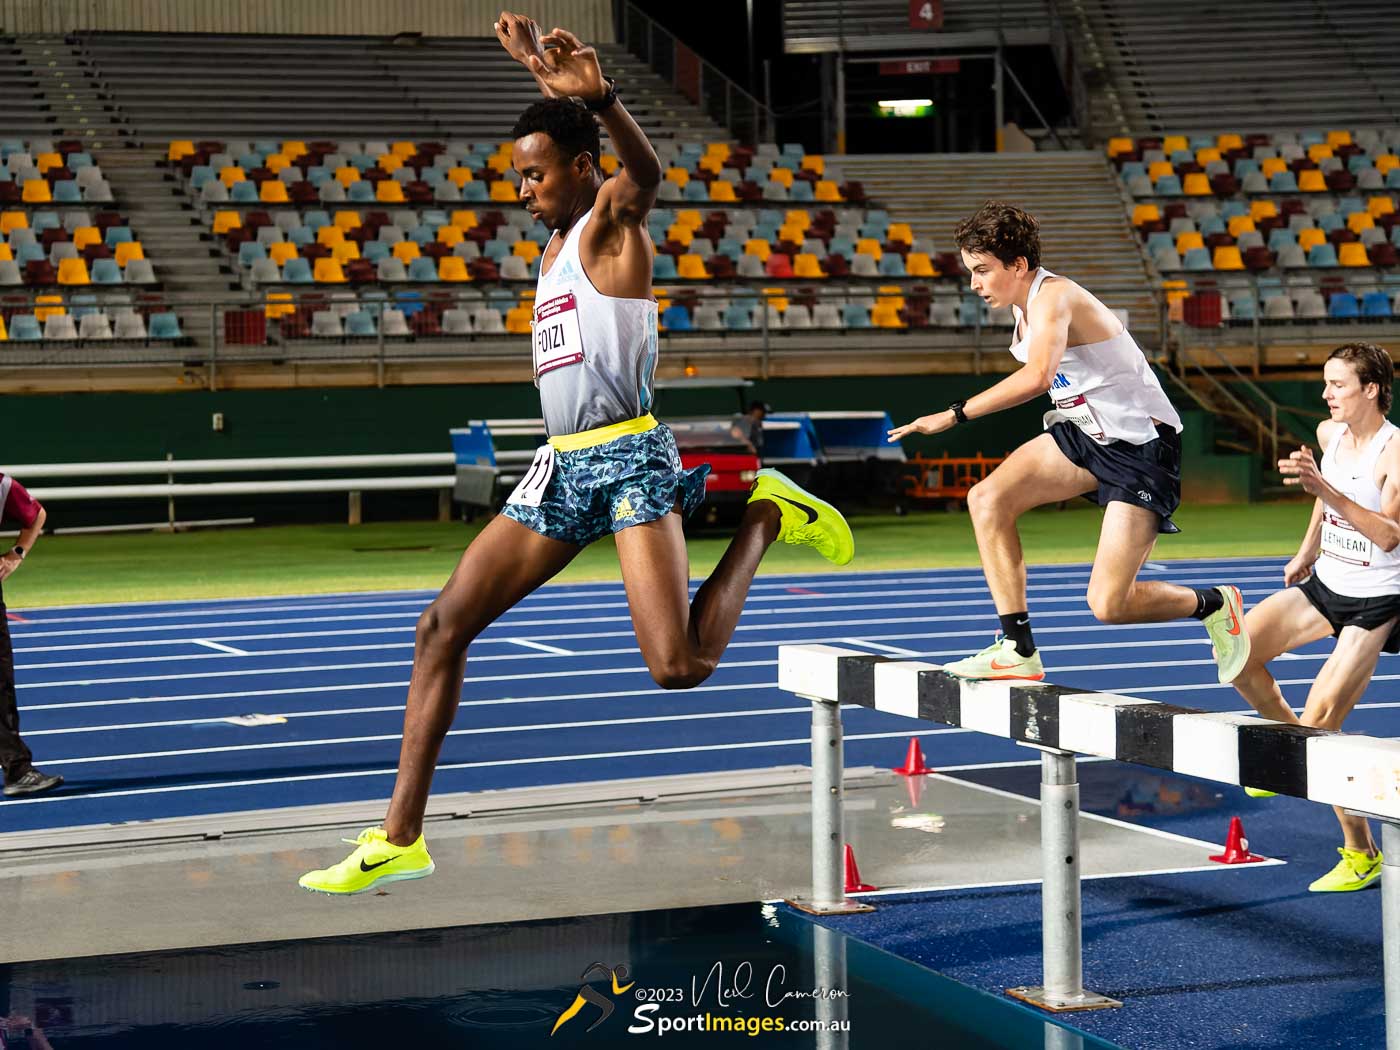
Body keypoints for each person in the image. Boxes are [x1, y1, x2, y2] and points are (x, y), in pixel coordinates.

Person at [298, 12, 854, 895]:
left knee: (677, 668)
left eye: (535, 173)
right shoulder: (555, 250)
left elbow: (648, 174)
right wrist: (562, 104)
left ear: (581, 170)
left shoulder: (607, 224)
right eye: (518, 176)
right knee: (439, 627)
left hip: (630, 459)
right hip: (561, 466)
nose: (521, 189)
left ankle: (764, 516)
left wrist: (602, 100)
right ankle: (400, 836)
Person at [888, 201, 1248, 683]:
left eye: (982, 270)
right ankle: (1017, 648)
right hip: (1085, 437)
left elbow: (1039, 376)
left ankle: (1215, 603)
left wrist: (954, 415)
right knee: (987, 499)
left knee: (1109, 604)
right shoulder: (1023, 308)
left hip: (1142, 450)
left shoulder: (1054, 296)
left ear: (1017, 265)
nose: (973, 283)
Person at [1232, 343, 1398, 892]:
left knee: (1321, 721)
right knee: (1237, 653)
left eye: (1338, 385)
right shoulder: (1330, 437)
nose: (1326, 395)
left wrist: (1324, 487)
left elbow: (1390, 535)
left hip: (1377, 601)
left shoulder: (1394, 453)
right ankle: (1284, 748)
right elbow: (1324, 505)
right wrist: (1307, 550)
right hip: (1328, 581)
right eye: (1325, 384)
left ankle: (1360, 852)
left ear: (1370, 389)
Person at [0, 472, 63, 799]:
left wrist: (16, 554)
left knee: (0, 686)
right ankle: (18, 770)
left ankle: (18, 770)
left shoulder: (2, 485)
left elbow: (36, 514)